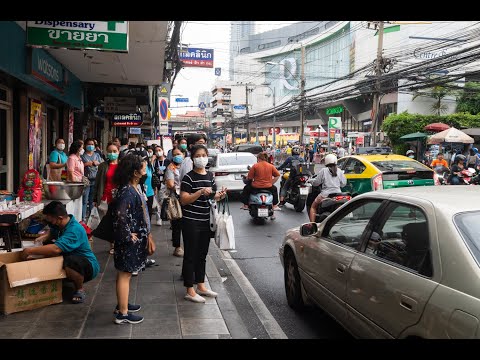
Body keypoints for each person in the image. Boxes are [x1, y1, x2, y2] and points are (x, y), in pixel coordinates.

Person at [21, 201, 100, 304]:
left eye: (51, 220)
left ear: (60, 218)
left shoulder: (74, 230)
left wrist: (29, 250)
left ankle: (79, 289)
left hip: (86, 264)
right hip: (67, 255)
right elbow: (52, 233)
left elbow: (56, 249)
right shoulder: (59, 224)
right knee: (46, 247)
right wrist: (43, 238)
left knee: (70, 261)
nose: (49, 222)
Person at [180, 145, 227, 303]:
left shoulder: (210, 176)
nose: (201, 158)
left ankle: (201, 285)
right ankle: (189, 290)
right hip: (191, 221)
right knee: (190, 256)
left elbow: (211, 199)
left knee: (202, 255)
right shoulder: (188, 177)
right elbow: (184, 199)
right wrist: (200, 192)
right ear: (193, 158)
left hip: (206, 221)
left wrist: (219, 195)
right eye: (198, 155)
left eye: (203, 155)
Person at [112, 154, 150, 324]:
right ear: (135, 172)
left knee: (124, 273)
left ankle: (122, 304)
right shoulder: (127, 191)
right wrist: (129, 236)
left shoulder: (133, 187)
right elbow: (120, 217)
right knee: (125, 274)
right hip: (127, 241)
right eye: (143, 167)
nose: (145, 170)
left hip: (133, 239)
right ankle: (123, 314)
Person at [93, 143, 120, 255]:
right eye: (110, 151)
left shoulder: (123, 166)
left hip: (119, 198)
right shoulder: (103, 166)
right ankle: (112, 244)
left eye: (114, 151)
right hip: (106, 197)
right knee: (110, 222)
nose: (112, 153)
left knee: (119, 221)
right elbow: (98, 183)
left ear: (118, 152)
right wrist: (95, 199)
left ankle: (119, 242)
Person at [309, 154, 347, 222]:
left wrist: (310, 181)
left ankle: (312, 225)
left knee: (313, 207)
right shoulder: (339, 171)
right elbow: (343, 184)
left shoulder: (324, 170)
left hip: (325, 195)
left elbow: (316, 183)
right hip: (338, 194)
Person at [165, 147, 184, 257]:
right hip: (176, 199)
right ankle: (177, 247)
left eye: (179, 153)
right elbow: (170, 184)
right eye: (175, 154)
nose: (177, 156)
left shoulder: (188, 165)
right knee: (177, 223)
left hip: (189, 197)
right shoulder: (171, 168)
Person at [81, 138, 104, 222]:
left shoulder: (97, 155)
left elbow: (102, 164)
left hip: (95, 180)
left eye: (92, 144)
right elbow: (79, 166)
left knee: (92, 200)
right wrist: (88, 164)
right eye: (89, 144)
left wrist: (98, 163)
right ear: (85, 145)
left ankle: (91, 218)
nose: (90, 146)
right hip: (86, 180)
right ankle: (83, 218)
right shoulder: (82, 155)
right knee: (84, 200)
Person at [152, 145, 171, 226]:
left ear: (163, 151)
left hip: (165, 183)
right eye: (156, 151)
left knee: (164, 201)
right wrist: (152, 161)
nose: (158, 152)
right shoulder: (154, 162)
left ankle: (168, 216)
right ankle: (158, 217)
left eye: (159, 150)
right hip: (156, 183)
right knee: (156, 201)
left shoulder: (168, 161)